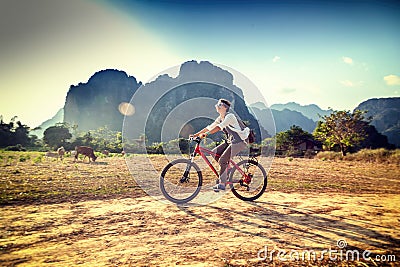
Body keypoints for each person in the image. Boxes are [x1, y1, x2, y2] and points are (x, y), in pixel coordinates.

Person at [191, 99, 250, 192]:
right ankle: (228, 170)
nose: (217, 106)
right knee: (214, 153)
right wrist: (195, 135)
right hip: (230, 141)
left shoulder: (230, 116)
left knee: (222, 160)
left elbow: (219, 127)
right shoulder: (220, 118)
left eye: (219, 105)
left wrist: (206, 134)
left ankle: (222, 184)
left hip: (239, 141)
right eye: (217, 104)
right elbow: (209, 127)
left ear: (225, 107)